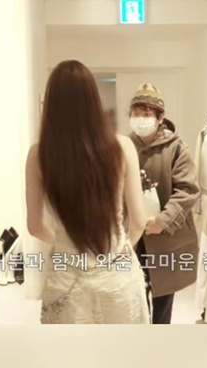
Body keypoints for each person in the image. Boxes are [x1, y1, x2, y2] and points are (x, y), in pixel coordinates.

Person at [25, 60, 149, 324]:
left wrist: (63, 242)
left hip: (67, 281)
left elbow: (34, 226)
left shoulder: (38, 155)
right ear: (94, 101)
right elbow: (139, 221)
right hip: (118, 277)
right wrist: (120, 248)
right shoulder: (122, 147)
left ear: (51, 104)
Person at [129, 84, 199, 324]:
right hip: (133, 236)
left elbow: (187, 190)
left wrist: (163, 221)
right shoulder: (125, 148)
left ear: (160, 118)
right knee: (134, 299)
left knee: (162, 301)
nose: (140, 119)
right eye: (136, 113)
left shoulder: (177, 148)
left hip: (166, 237)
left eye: (146, 114)